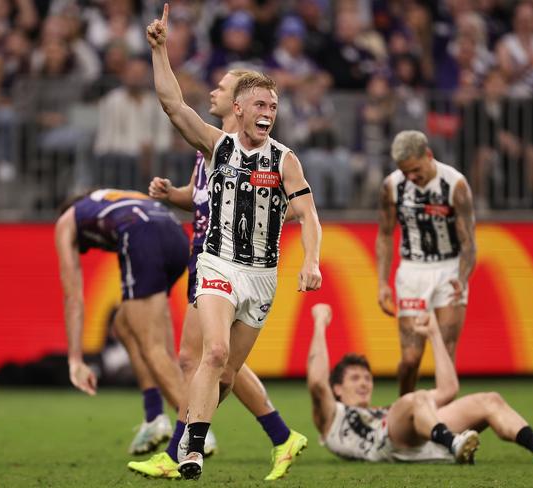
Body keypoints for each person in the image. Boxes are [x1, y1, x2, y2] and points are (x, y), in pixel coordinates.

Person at [145, 4, 322, 480]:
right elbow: (172, 104)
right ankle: (191, 452)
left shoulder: (286, 161)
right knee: (214, 352)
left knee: (223, 376)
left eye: (273, 107)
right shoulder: (216, 146)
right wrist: (160, 51)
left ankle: (188, 438)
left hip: (263, 277)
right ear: (239, 110)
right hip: (217, 263)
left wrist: (312, 261)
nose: (268, 114)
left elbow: (307, 214)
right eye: (259, 105)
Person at [307, 303, 533, 465]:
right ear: (337, 389)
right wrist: (320, 322)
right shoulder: (332, 416)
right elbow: (318, 382)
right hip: (388, 441)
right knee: (415, 399)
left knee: (489, 400)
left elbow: (448, 390)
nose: (364, 382)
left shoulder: (385, 410)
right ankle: (454, 443)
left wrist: (434, 334)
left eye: (367, 377)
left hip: (420, 436)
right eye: (355, 378)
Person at [54, 188, 189, 455]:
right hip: (176, 236)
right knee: (124, 326)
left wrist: (75, 359)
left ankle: (195, 431)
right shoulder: (115, 199)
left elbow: (73, 297)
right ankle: (154, 417)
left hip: (142, 235)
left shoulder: (67, 220)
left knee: (152, 347)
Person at [376, 130, 476, 395]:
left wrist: (462, 279)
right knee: (410, 360)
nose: (411, 177)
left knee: (446, 353)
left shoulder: (455, 185)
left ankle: (445, 426)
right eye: (405, 171)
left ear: (428, 155)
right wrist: (382, 283)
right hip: (412, 271)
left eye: (416, 169)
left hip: (449, 270)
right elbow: (385, 235)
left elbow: (468, 242)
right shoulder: (392, 186)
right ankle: (404, 417)